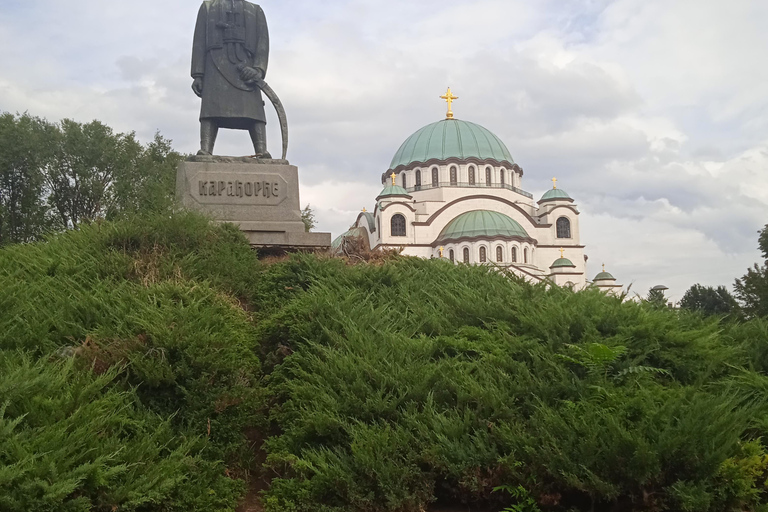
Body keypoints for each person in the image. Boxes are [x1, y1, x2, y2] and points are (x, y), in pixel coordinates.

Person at [191, 0, 270, 157]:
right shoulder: (208, 7)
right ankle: (205, 149)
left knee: (254, 110)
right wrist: (198, 74)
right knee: (210, 108)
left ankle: (261, 151)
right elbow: (199, 41)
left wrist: (258, 69)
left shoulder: (255, 10)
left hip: (245, 69)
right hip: (214, 63)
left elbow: (263, 42)